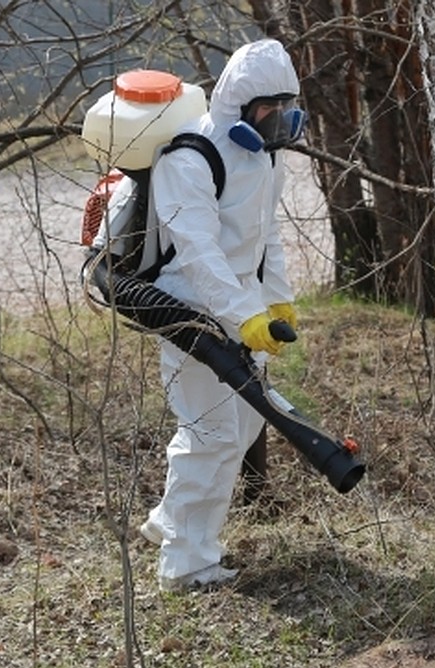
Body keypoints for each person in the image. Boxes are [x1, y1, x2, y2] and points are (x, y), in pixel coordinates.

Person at [137, 39, 306, 592]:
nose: (280, 119)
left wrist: (274, 299)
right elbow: (199, 254)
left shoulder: (265, 155)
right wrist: (242, 315)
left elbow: (265, 235)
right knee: (210, 434)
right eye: (269, 107)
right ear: (239, 105)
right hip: (189, 312)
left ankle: (169, 520)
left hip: (241, 311)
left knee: (247, 421)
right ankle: (187, 566)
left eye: (287, 104)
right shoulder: (191, 157)